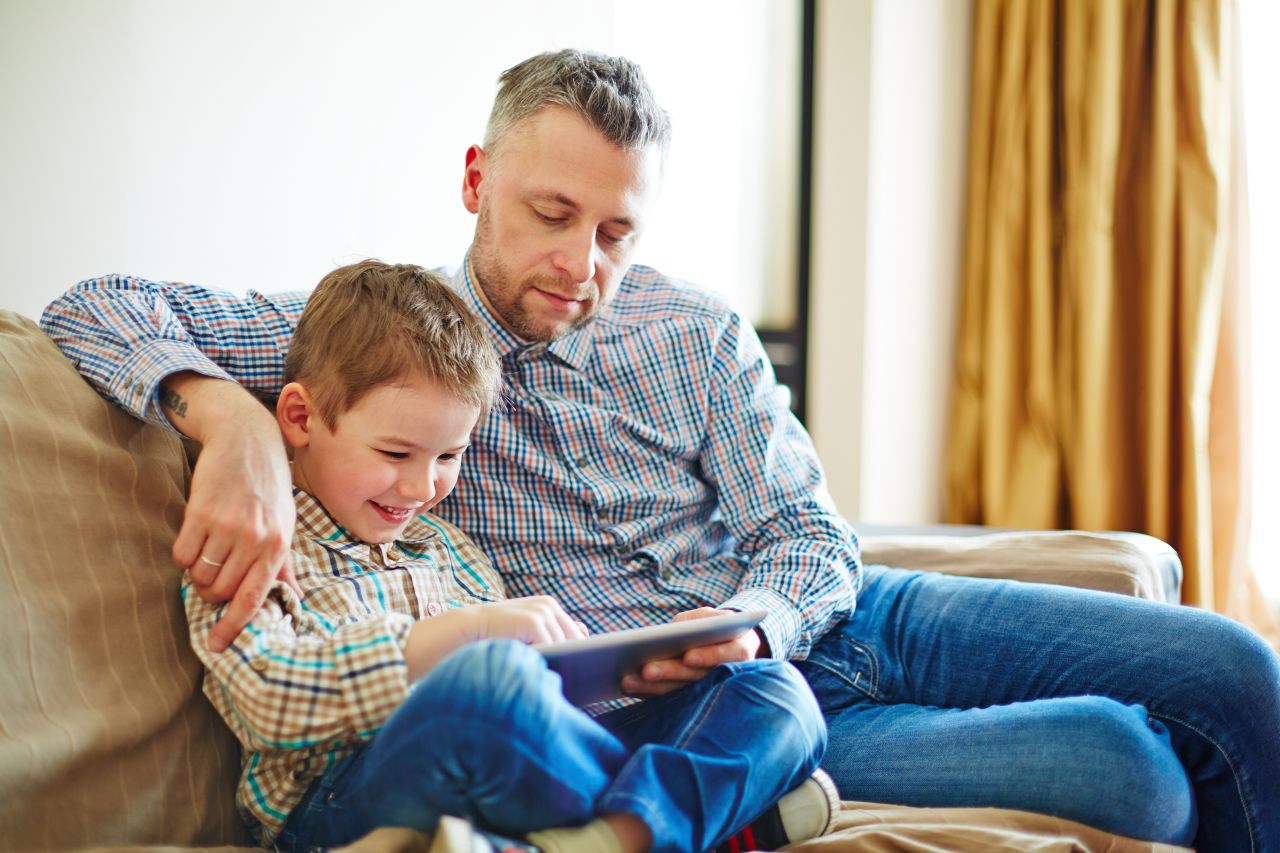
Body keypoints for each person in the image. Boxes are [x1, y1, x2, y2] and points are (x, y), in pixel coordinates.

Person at [41, 49, 1280, 852]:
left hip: (836, 621)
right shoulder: (389, 346)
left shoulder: (688, 331)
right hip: (693, 702)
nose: (582, 266)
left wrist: (755, 617)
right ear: (477, 180)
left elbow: (802, 533)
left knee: (1234, 666)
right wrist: (228, 416)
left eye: (617, 230)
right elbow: (93, 305)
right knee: (1135, 774)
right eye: (551, 216)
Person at [177, 258, 836, 853]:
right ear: (299, 418)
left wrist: (591, 672)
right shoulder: (258, 537)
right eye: (395, 453)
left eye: (448, 456)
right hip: (341, 800)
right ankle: (698, 821)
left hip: (506, 784)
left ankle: (612, 837)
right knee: (484, 686)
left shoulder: (447, 548)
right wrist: (458, 638)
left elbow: (534, 713)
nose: (420, 486)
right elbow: (267, 697)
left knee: (775, 693)